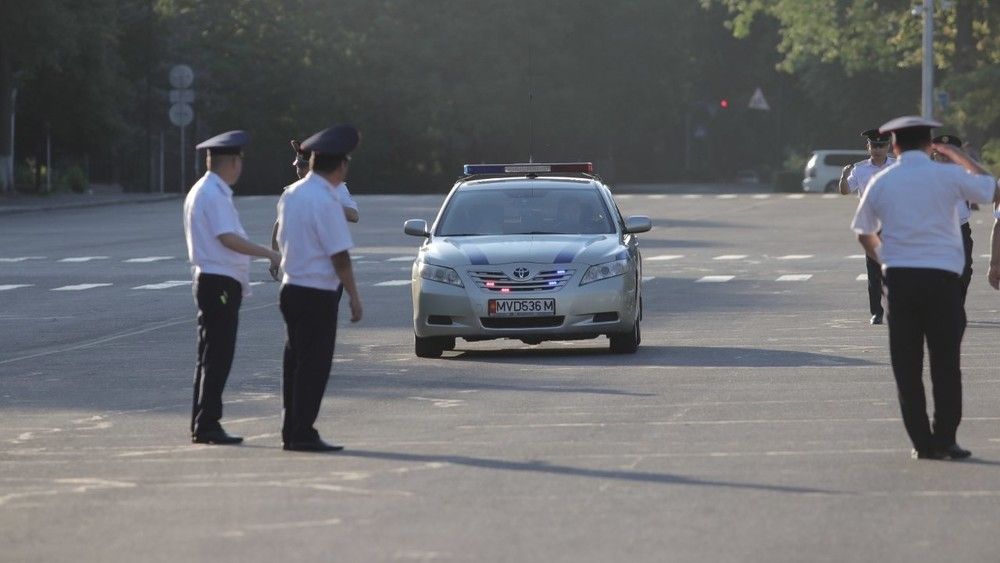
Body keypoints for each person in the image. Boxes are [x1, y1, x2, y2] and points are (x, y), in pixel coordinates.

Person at [852, 115, 998, 460]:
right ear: (929, 144)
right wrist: (957, 155)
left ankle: (922, 442)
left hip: (901, 279)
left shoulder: (882, 180)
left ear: (895, 146)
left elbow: (863, 230)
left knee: (907, 365)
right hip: (943, 281)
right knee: (946, 363)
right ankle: (946, 438)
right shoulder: (948, 175)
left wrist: (884, 257)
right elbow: (990, 189)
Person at [183, 130, 281, 445]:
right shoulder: (213, 193)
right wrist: (270, 253)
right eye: (239, 161)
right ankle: (208, 423)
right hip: (219, 282)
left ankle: (202, 421)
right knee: (217, 356)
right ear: (234, 163)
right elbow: (228, 238)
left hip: (213, 280)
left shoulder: (206, 189)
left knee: (209, 355)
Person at [276, 124, 363, 452]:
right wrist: (354, 295)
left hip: (291, 288)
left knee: (294, 363)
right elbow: (339, 255)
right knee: (314, 366)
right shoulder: (327, 199)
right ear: (339, 165)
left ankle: (291, 429)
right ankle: (303, 432)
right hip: (317, 293)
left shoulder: (291, 194)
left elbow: (283, 239)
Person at [270, 139, 359, 280]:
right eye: (298, 166)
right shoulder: (291, 192)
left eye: (302, 166)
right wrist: (275, 256)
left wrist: (326, 204)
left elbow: (354, 215)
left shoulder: (336, 188)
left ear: (312, 167)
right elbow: (278, 225)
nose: (298, 171)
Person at [840, 128, 896, 324]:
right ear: (868, 147)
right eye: (874, 146)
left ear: (888, 146)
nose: (877, 149)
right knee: (874, 272)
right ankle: (877, 312)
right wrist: (844, 175)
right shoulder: (860, 169)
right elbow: (846, 190)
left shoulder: (897, 167)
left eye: (881, 146)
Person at [932, 134, 975, 305]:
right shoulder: (925, 175)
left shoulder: (967, 173)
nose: (944, 157)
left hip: (960, 229)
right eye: (940, 153)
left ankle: (956, 303)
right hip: (934, 231)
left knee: (964, 270)